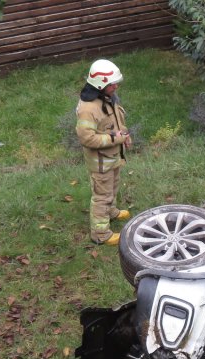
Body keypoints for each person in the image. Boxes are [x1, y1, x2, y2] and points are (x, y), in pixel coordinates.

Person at [75, 58, 131, 246]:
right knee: (102, 196)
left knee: (112, 187)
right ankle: (101, 234)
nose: (116, 86)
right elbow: (87, 138)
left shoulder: (107, 98)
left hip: (112, 158)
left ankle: (111, 212)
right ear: (100, 84)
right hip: (100, 163)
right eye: (112, 83)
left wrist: (124, 133)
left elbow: (116, 120)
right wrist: (115, 139)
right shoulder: (88, 109)